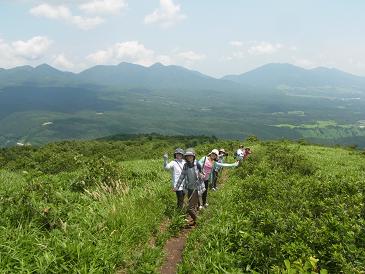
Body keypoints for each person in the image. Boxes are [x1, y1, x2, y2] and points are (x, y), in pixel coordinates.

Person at [174, 148, 204, 226]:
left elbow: (203, 175)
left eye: (190, 156)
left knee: (190, 208)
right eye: (187, 156)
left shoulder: (197, 164)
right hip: (189, 189)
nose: (189, 157)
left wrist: (201, 176)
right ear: (186, 157)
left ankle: (199, 221)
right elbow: (182, 176)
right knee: (193, 207)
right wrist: (176, 187)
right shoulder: (186, 165)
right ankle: (195, 221)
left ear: (193, 157)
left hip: (197, 189)